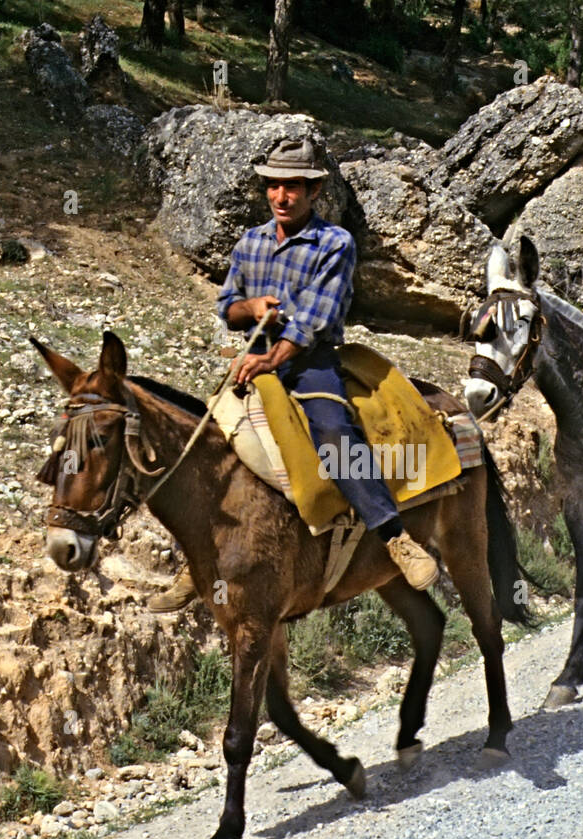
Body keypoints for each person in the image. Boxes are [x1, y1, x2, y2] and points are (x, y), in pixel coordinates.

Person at [150, 137, 438, 613]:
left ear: (315, 190)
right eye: (274, 186)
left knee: (332, 431)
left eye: (294, 187)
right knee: (207, 443)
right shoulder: (252, 243)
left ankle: (394, 536)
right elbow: (228, 308)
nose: (282, 197)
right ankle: (198, 562)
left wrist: (271, 358)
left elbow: (314, 320)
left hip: (311, 363)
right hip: (255, 360)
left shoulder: (335, 244)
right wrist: (252, 308)